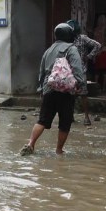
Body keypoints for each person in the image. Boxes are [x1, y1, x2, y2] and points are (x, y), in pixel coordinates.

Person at [23, 23, 87, 155]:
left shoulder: (48, 50)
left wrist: (41, 89)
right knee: (65, 122)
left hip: (49, 88)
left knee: (43, 120)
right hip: (66, 91)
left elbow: (41, 73)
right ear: (69, 35)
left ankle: (31, 144)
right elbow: (77, 68)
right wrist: (81, 84)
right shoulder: (71, 49)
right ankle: (58, 150)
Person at [69, 20, 99, 126]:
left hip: (80, 71)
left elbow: (97, 45)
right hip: (69, 72)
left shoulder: (82, 38)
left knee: (83, 95)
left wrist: (89, 57)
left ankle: (86, 117)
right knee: (71, 95)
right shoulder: (67, 40)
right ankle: (71, 116)